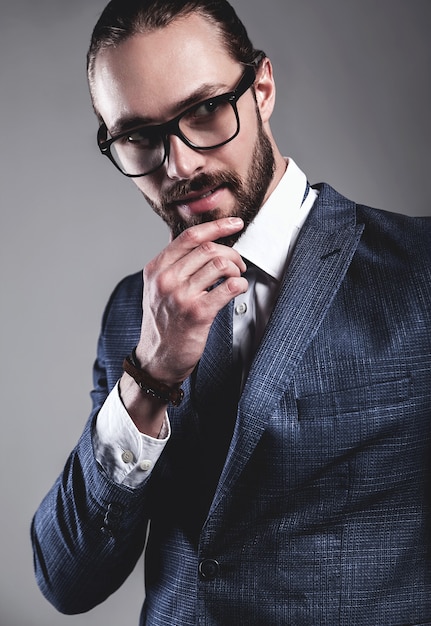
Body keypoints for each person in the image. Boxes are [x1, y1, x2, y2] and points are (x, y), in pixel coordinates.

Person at [31, 0, 431, 624]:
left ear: (262, 88)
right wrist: (148, 376)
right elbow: (65, 579)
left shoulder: (419, 272)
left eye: (205, 109)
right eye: (139, 137)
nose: (181, 164)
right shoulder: (131, 317)